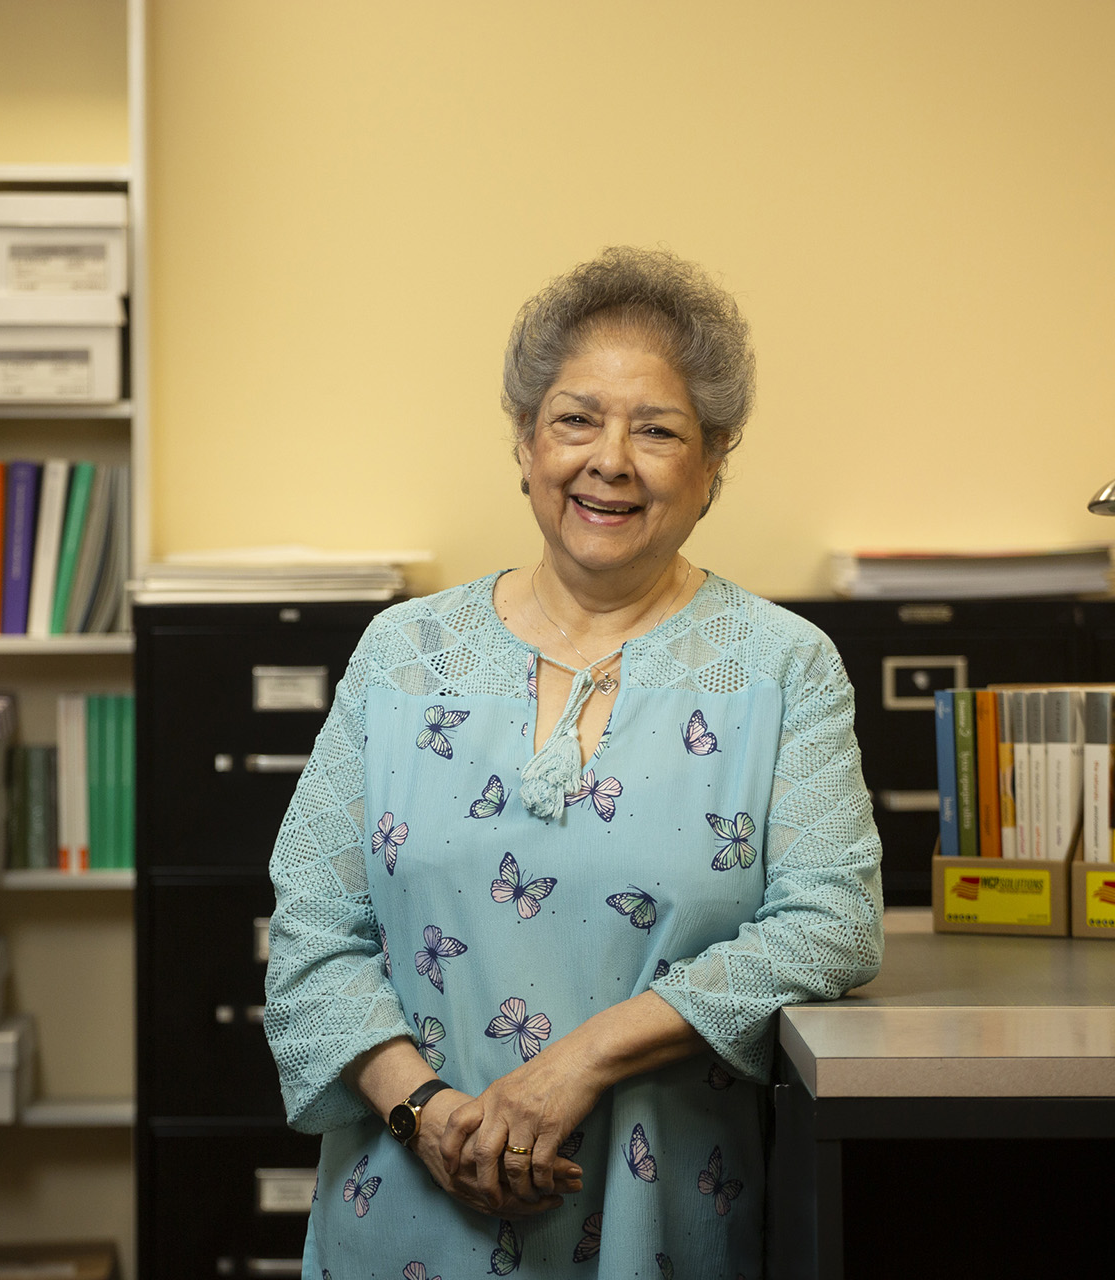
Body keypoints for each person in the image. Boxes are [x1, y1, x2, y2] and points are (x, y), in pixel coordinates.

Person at [264, 246, 884, 1277]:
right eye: (576, 418)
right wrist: (426, 1111)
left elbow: (834, 921)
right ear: (524, 439)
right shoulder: (401, 654)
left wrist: (577, 1063)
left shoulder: (782, 668)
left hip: (657, 1220)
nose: (610, 458)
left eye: (657, 429)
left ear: (714, 459)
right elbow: (313, 934)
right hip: (404, 1207)